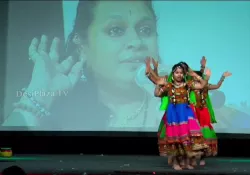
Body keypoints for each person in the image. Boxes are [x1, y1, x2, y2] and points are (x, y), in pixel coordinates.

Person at [3, 0, 163, 131]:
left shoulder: (174, 107)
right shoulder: (59, 112)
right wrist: (40, 94)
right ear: (82, 46)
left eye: (146, 30)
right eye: (115, 30)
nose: (136, 42)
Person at [145, 58, 211, 170]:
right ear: (173, 73)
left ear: (184, 74)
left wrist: (196, 75)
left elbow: (202, 85)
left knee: (188, 138)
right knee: (175, 138)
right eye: (177, 72)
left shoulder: (187, 84)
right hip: (174, 114)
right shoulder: (169, 85)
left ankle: (186, 162)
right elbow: (157, 93)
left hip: (186, 113)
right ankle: (176, 162)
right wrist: (155, 79)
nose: (179, 75)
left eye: (181, 73)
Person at [192, 70, 232, 166]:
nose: (196, 79)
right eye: (194, 77)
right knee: (193, 135)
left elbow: (217, 86)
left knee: (204, 135)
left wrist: (222, 77)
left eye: (197, 77)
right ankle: (192, 158)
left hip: (203, 112)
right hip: (193, 112)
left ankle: (202, 158)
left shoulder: (205, 86)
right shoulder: (190, 87)